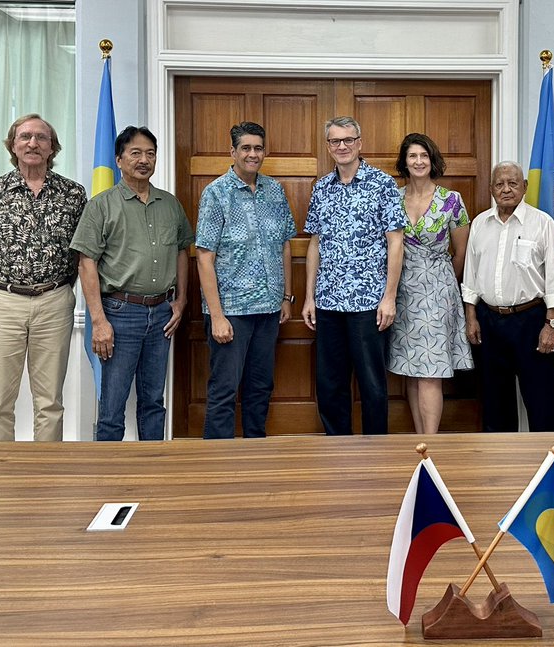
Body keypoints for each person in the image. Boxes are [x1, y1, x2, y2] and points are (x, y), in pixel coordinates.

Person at [0, 114, 86, 443]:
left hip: (54, 301)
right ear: (13, 145)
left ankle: (45, 476)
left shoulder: (73, 194)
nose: (33, 143)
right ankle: (1, 474)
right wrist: (6, 273)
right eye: (25, 137)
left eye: (41, 138)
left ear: (52, 148)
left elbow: (81, 249)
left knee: (50, 402)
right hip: (3, 302)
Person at [71, 126, 194, 441]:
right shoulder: (101, 206)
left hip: (162, 315)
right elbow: (87, 262)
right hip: (120, 313)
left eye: (150, 153)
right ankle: (109, 479)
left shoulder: (170, 204)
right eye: (135, 153)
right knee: (112, 405)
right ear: (119, 159)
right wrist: (98, 320)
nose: (144, 160)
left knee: (153, 400)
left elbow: (182, 250)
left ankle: (151, 472)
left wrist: (180, 301)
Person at [302, 116, 406, 435]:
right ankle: (337, 447)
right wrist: (309, 297)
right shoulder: (321, 188)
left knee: (372, 382)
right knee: (330, 383)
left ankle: (376, 449)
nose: (342, 146)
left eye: (348, 140)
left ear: (360, 143)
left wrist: (389, 297)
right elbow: (314, 244)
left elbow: (396, 242)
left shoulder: (382, 183)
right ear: (329, 146)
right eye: (335, 141)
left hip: (369, 303)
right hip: (329, 301)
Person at [196, 122, 296, 439]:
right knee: (224, 389)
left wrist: (286, 297)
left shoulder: (275, 191)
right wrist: (217, 316)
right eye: (246, 148)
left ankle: (256, 454)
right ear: (234, 152)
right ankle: (218, 465)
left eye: (258, 148)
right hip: (232, 313)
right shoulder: (216, 194)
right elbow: (204, 257)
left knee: (260, 387)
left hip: (268, 310)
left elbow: (284, 244)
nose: (253, 154)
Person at [462, 162, 554, 432]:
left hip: (531, 320)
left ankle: (548, 464)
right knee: (495, 401)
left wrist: (551, 324)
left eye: (513, 183)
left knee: (542, 400)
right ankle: (500, 465)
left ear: (525, 187)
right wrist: (471, 317)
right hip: (489, 320)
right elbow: (471, 275)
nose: (506, 189)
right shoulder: (480, 224)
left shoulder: (542, 223)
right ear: (491, 189)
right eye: (500, 184)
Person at [387, 133, 473, 435]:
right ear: (405, 162)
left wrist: (446, 284)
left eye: (424, 155)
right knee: (410, 368)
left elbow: (462, 252)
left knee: (430, 371)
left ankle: (432, 443)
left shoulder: (452, 200)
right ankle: (418, 440)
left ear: (432, 160)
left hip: (437, 291)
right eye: (412, 156)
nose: (419, 161)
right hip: (400, 291)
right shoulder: (393, 197)